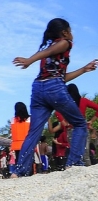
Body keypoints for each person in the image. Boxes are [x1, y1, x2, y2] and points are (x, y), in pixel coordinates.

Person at [13, 18, 97, 175]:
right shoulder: (65, 43)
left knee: (33, 133)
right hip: (54, 89)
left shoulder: (50, 49)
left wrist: (84, 70)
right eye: (70, 31)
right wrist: (29, 60)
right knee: (79, 124)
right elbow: (50, 59)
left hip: (38, 88)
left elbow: (62, 77)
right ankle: (74, 164)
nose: (72, 34)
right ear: (64, 32)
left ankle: (18, 171)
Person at [10, 102, 31, 172]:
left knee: (19, 162)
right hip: (27, 144)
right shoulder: (30, 119)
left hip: (17, 145)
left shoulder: (13, 120)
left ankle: (19, 174)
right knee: (28, 162)